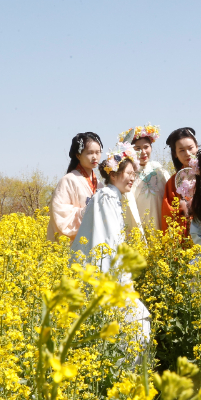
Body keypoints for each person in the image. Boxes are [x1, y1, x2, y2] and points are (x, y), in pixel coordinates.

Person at [71, 143, 150, 360]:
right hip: (108, 276)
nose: (132, 179)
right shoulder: (106, 197)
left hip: (112, 275)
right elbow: (105, 242)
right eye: (129, 174)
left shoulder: (112, 197)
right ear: (114, 174)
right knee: (135, 320)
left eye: (134, 174)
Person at [47, 132, 103, 243]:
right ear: (78, 155)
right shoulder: (68, 180)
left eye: (98, 152)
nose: (95, 157)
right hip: (75, 243)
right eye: (90, 153)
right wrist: (87, 211)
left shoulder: (100, 184)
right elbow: (60, 214)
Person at [119, 125, 170, 232]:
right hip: (138, 229)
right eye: (137, 149)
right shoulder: (127, 175)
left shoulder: (159, 171)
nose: (143, 152)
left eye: (146, 147)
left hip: (161, 227)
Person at [161, 127, 199, 239]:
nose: (187, 153)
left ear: (197, 147)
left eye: (190, 148)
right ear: (175, 154)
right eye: (181, 150)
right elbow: (169, 214)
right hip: (187, 237)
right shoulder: (173, 182)